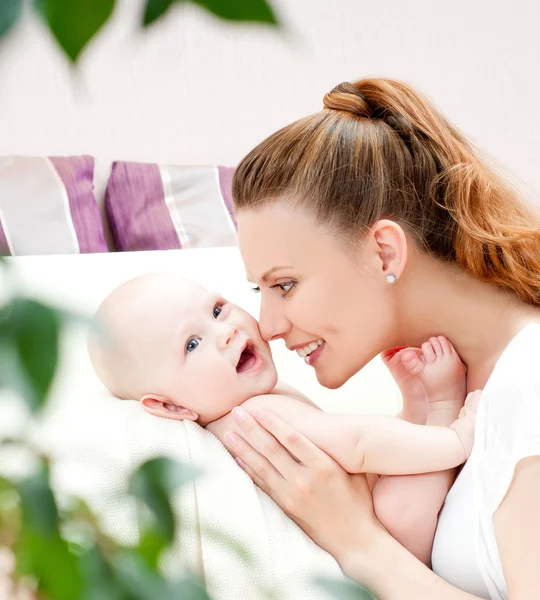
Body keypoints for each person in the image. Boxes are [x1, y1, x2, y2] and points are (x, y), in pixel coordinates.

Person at [226, 77, 540, 599]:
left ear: (384, 253)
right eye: (259, 290)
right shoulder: (450, 382)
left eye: (284, 284)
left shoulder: (530, 382)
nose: (267, 325)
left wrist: (356, 542)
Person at [87, 272, 478, 564]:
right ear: (171, 407)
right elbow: (360, 445)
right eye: (192, 344)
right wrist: (456, 432)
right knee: (400, 507)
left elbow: (355, 464)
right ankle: (444, 405)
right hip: (392, 544)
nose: (224, 332)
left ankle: (423, 411)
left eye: (217, 309)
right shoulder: (255, 412)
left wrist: (409, 408)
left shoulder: (245, 406)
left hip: (358, 521)